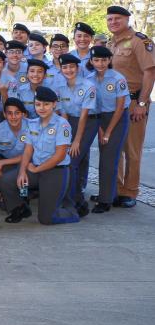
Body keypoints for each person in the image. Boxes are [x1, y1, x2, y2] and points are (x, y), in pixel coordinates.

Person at [0, 87, 80, 225]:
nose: (41, 108)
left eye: (46, 104)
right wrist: (22, 171)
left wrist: (36, 170)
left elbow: (60, 156)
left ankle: (72, 210)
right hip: (35, 169)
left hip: (55, 171)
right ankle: (19, 208)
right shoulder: (32, 124)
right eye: (38, 104)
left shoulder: (62, 125)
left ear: (54, 104)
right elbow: (28, 150)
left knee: (46, 219)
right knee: (6, 181)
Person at [105, 5, 155, 208]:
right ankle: (115, 189)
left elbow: (150, 72)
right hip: (112, 104)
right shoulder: (111, 43)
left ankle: (130, 191)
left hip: (134, 102)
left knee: (131, 149)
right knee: (113, 147)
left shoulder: (140, 41)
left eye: (117, 18)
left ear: (127, 19)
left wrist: (142, 103)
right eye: (110, 19)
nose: (113, 22)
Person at [88, 46, 130, 213]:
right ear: (91, 61)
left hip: (117, 119)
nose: (100, 63)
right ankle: (108, 194)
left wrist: (108, 131)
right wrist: (100, 128)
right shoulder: (90, 79)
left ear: (109, 60)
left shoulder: (117, 78)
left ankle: (105, 201)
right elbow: (93, 106)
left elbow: (120, 108)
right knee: (105, 157)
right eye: (96, 60)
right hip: (101, 118)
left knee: (108, 159)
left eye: (104, 60)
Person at [55, 53, 97, 216]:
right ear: (61, 69)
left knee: (72, 160)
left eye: (72, 67)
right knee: (69, 159)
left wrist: (77, 141)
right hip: (70, 121)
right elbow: (64, 115)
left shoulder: (88, 86)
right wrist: (67, 138)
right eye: (65, 67)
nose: (68, 70)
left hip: (88, 123)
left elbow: (84, 116)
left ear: (77, 68)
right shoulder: (60, 88)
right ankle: (77, 200)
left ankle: (74, 201)